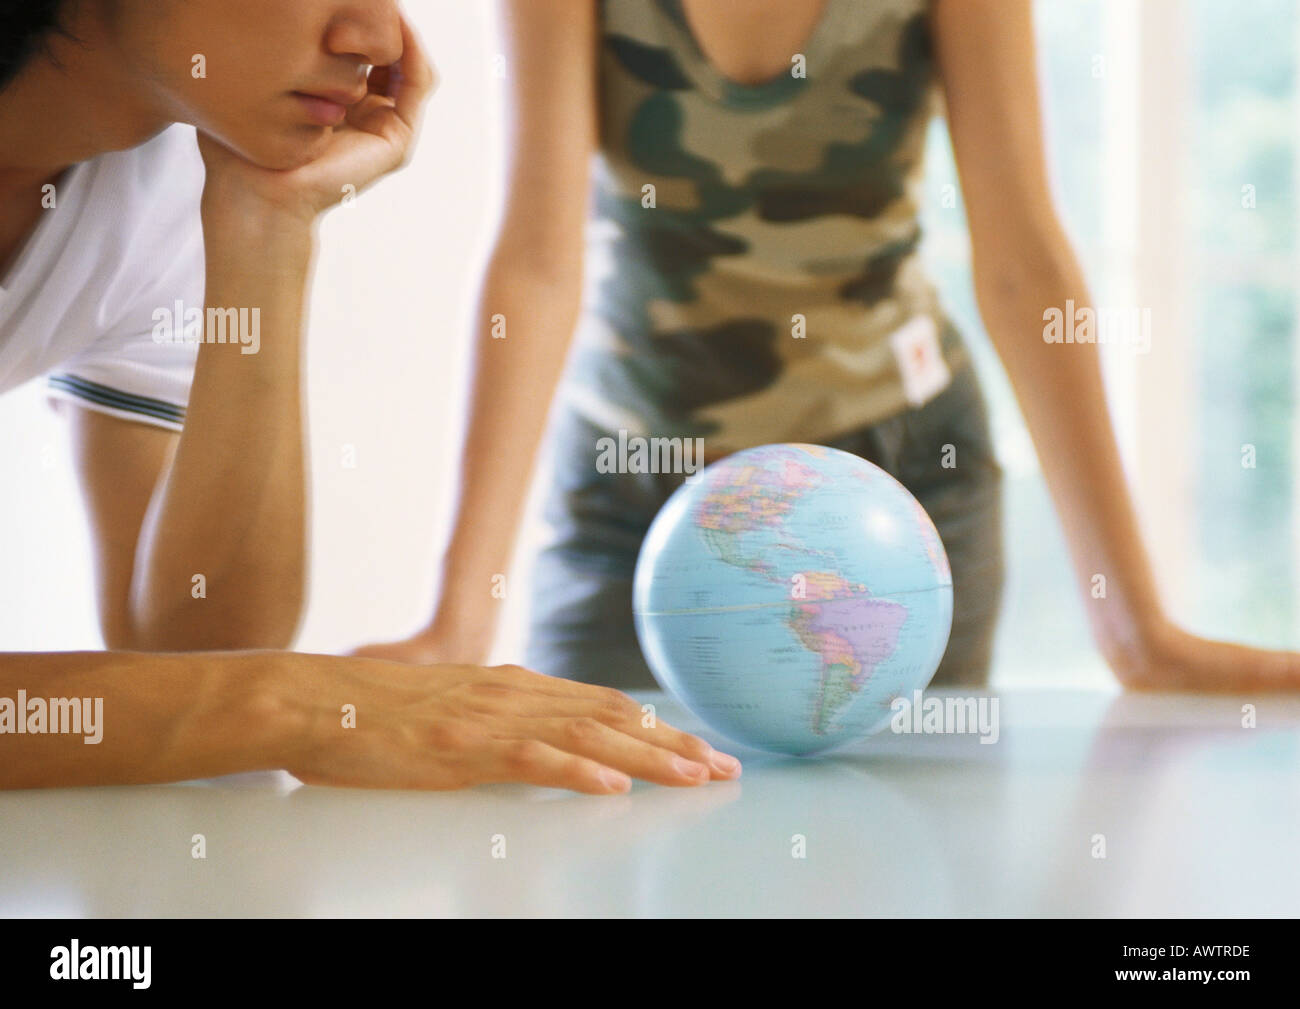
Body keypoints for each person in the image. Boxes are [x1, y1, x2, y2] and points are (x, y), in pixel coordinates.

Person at [358, 0, 1300, 692]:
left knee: (898, 864)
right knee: (594, 838)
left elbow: (1022, 263)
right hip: (639, 491)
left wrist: (1137, 629)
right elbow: (538, 261)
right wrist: (460, 620)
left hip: (900, 493)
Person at [0, 0, 740, 793]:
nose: (378, 42)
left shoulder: (167, 180)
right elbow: (219, 692)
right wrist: (293, 702)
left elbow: (190, 646)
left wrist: (268, 221)